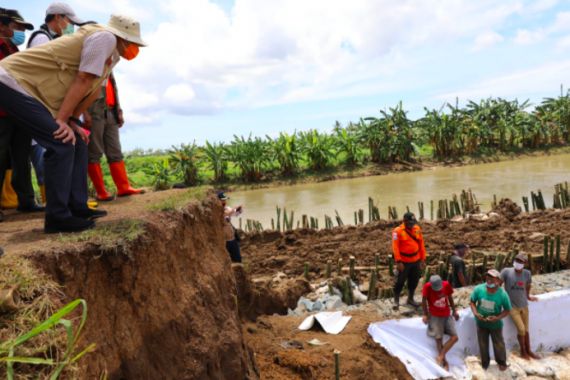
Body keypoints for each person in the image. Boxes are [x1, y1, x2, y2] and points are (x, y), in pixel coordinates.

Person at [0, 14, 147, 233]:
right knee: (61, 141)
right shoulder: (104, 38)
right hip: (11, 80)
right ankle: (57, 217)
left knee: (77, 138)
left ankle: (77, 206)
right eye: (133, 43)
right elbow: (83, 79)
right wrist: (61, 121)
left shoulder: (112, 54)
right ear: (124, 37)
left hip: (29, 90)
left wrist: (71, 121)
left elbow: (92, 90)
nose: (135, 48)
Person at [26, 2, 86, 205]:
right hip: (42, 105)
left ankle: (65, 201)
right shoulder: (42, 38)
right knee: (51, 152)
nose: (70, 25)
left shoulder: (54, 38)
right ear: (58, 17)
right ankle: (54, 203)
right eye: (68, 21)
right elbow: (45, 76)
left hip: (49, 106)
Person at [0, 9, 44, 217]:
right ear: (2, 25)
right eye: (16, 27)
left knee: (21, 157)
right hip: (1, 113)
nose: (18, 31)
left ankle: (26, 200)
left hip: (18, 111)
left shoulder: (13, 48)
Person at [86, 72, 143, 201]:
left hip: (111, 112)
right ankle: (101, 192)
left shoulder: (109, 68)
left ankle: (124, 187)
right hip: (94, 113)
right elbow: (80, 89)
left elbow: (113, 90)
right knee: (94, 152)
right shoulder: (89, 64)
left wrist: (119, 111)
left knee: (115, 151)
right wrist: (85, 113)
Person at [470, 269, 512, 371]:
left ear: (498, 280)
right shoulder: (479, 289)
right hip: (481, 323)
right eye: (487, 277)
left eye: (491, 278)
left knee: (499, 344)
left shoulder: (502, 294)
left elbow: (507, 310)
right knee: (483, 344)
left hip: (495, 325)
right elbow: (472, 302)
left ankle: (501, 362)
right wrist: (476, 314)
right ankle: (485, 363)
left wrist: (497, 318)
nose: (488, 279)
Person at [500, 253, 539, 360]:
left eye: (521, 261)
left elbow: (528, 285)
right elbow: (498, 284)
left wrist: (528, 296)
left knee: (526, 330)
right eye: (517, 260)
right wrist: (499, 299)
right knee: (521, 329)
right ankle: (522, 351)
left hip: (524, 305)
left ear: (525, 263)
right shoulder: (506, 272)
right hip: (512, 307)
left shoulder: (527, 274)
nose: (518, 263)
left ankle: (529, 350)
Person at [422, 275, 459, 370]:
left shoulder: (446, 284)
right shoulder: (427, 286)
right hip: (434, 315)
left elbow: (450, 298)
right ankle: (444, 362)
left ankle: (440, 356)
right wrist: (425, 314)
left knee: (455, 337)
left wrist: (454, 311)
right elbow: (424, 300)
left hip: (446, 313)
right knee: (439, 339)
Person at [392, 211, 427, 309]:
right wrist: (398, 261)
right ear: (404, 221)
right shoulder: (397, 231)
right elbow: (395, 247)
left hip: (415, 260)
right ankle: (396, 300)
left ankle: (410, 299)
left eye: (413, 223)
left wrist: (423, 259)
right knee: (400, 281)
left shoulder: (417, 229)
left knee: (414, 280)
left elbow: (421, 244)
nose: (412, 225)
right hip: (404, 261)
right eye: (410, 223)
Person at [218, 191, 242, 263]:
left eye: (225, 200)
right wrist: (234, 209)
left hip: (232, 238)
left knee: (238, 259)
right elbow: (226, 214)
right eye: (222, 200)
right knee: (227, 261)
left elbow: (235, 214)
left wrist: (239, 210)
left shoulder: (227, 208)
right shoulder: (216, 211)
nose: (224, 201)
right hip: (223, 241)